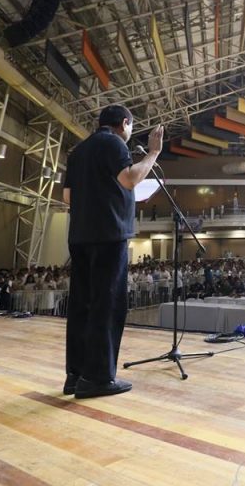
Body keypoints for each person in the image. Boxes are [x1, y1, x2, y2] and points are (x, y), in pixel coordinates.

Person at [63, 105, 162, 399]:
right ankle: (98, 378)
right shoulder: (114, 142)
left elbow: (67, 197)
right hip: (109, 235)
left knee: (82, 305)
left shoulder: (78, 152)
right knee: (106, 305)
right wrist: (153, 153)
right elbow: (130, 178)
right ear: (124, 123)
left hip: (80, 236)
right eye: (131, 127)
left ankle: (75, 376)